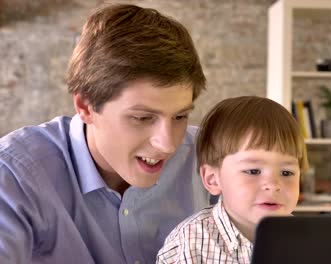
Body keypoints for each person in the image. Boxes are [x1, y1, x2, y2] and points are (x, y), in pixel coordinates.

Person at [0, 4, 210, 263]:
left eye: (179, 116)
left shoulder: (213, 157)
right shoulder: (13, 175)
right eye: (142, 118)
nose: (167, 144)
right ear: (86, 107)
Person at [156, 96, 308, 263]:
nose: (273, 185)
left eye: (286, 173)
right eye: (253, 171)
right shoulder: (190, 243)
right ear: (213, 179)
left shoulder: (309, 241)